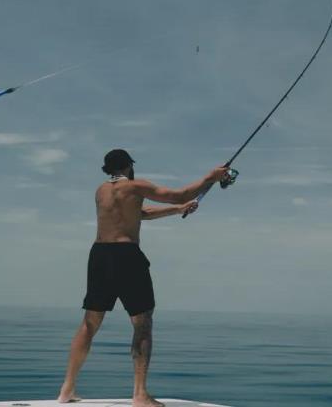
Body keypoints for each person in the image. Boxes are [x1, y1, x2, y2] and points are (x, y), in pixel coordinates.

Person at [57, 149, 229, 407]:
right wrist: (210, 177)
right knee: (142, 323)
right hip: (126, 256)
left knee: (89, 323)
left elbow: (140, 213)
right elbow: (181, 193)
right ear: (128, 165)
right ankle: (139, 394)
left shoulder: (101, 191)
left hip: (100, 256)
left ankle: (66, 389)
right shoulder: (136, 185)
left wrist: (177, 210)